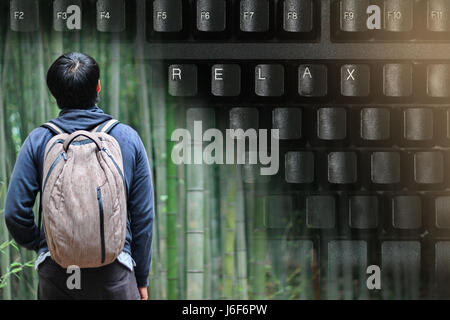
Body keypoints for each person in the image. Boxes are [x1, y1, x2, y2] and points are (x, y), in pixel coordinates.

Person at [4, 52, 154, 300]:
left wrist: (45, 244)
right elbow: (143, 218)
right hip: (115, 272)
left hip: (57, 273)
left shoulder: (39, 140)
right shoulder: (127, 138)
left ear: (54, 95)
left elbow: (14, 212)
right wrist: (142, 278)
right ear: (98, 86)